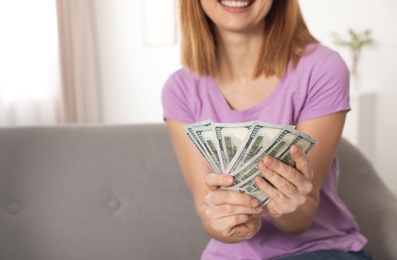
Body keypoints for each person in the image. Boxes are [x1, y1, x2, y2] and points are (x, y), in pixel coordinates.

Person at [161, 0, 371, 259]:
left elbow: (300, 221)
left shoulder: (322, 69)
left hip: (318, 250)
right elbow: (209, 218)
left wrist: (287, 206)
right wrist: (233, 224)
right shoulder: (180, 89)